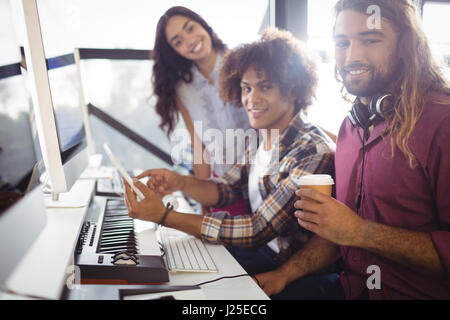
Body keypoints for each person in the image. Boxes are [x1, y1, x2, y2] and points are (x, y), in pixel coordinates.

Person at [254, 0, 450, 300]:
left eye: (370, 40)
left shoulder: (442, 122)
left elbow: (354, 230)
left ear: (405, 47)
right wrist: (285, 275)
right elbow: (340, 231)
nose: (352, 55)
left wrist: (362, 232)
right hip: (350, 289)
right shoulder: (351, 127)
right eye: (342, 42)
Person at [124, 28, 335, 275]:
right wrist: (179, 181)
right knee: (169, 267)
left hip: (282, 264)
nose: (251, 99)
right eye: (246, 88)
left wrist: (164, 216)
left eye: (265, 87)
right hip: (259, 251)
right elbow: (227, 188)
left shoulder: (311, 150)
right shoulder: (259, 136)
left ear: (293, 90)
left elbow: (258, 229)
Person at [151, 6, 251, 215]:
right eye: (178, 41)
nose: (189, 41)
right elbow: (200, 147)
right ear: (174, 51)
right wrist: (203, 203)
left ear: (203, 25)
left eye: (190, 28)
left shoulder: (244, 62)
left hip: (263, 176)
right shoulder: (182, 89)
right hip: (223, 186)